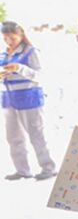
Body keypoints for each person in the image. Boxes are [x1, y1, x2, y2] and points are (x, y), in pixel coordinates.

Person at [1, 21, 57, 180]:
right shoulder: (4, 53)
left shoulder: (31, 51)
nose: (9, 42)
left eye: (12, 38)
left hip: (29, 98)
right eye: (5, 38)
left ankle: (48, 168)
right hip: (8, 98)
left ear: (21, 35)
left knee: (36, 134)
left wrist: (19, 68)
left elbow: (39, 76)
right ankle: (22, 170)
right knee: (13, 137)